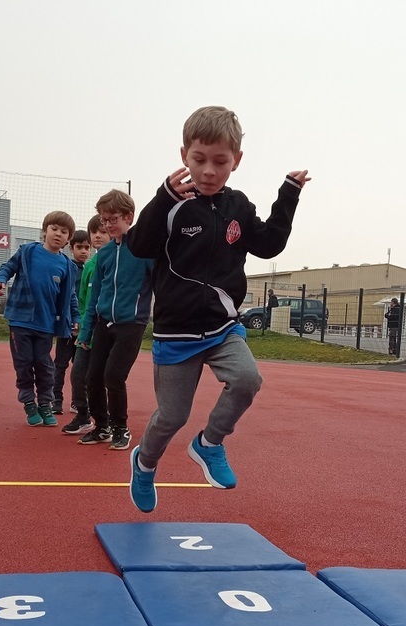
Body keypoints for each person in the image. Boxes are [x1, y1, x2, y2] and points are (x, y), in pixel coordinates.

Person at [124, 105, 310, 512]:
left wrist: (288, 196)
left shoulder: (238, 206)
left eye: (220, 162)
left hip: (224, 327)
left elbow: (268, 245)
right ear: (184, 156)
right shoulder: (172, 205)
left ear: (236, 162)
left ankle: (209, 443)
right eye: (199, 159)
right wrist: (162, 197)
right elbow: (138, 245)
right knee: (171, 416)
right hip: (177, 332)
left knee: (247, 379)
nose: (209, 171)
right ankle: (145, 461)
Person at [76, 191, 152, 451]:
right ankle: (102, 427)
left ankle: (122, 428)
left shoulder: (145, 250)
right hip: (103, 323)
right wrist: (85, 334)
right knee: (92, 377)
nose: (107, 225)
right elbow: (95, 294)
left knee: (114, 376)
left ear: (129, 217)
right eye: (103, 220)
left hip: (132, 324)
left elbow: (162, 286)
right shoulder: (104, 254)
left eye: (112, 219)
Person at [0, 212, 79, 427]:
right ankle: (28, 403)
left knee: (44, 364)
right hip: (20, 320)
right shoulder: (28, 252)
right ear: (44, 231)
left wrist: (75, 317)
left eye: (64, 231)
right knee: (23, 363)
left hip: (46, 323)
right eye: (54, 229)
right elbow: (8, 267)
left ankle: (45, 403)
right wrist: (1, 279)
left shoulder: (67, 265)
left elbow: (70, 296)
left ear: (68, 238)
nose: (58, 234)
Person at [61, 214, 108, 436]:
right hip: (86, 331)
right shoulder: (89, 265)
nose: (98, 236)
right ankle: (82, 415)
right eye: (94, 232)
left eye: (103, 232)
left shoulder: (116, 262)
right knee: (77, 374)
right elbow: (82, 299)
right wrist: (79, 322)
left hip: (107, 330)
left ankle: (108, 421)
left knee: (101, 377)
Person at [50, 229, 90, 416]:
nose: (83, 251)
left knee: (80, 367)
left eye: (87, 248)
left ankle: (77, 401)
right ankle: (56, 400)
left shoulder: (90, 270)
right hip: (67, 326)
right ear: (71, 248)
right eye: (79, 247)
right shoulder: (67, 268)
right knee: (60, 364)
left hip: (84, 329)